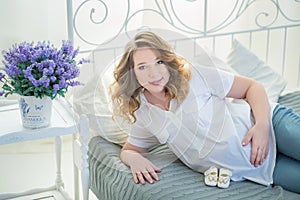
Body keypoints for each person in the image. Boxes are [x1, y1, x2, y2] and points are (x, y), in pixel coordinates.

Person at [109, 31, 300, 193]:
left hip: (273, 125)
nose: (154, 73)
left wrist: (262, 126)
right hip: (259, 168)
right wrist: (133, 159)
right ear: (132, 73)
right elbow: (130, 149)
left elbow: (253, 87)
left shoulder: (195, 77)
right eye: (142, 67)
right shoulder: (144, 114)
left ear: (167, 61)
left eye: (159, 62)